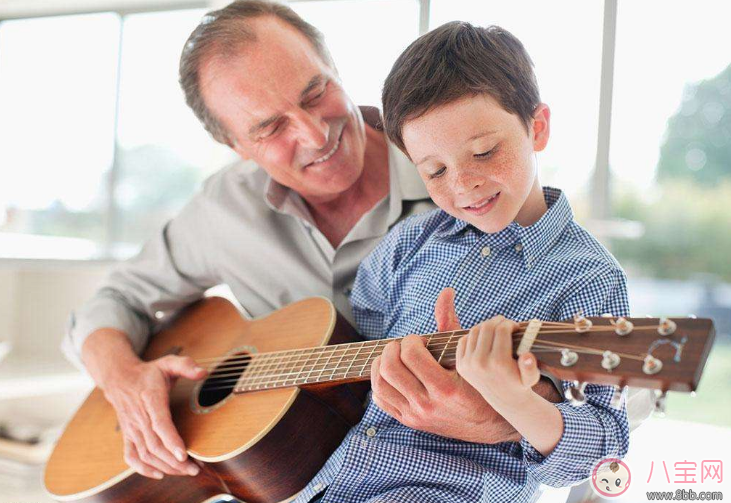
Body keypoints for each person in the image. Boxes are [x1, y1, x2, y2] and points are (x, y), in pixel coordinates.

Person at [61, 0, 565, 485]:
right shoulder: (223, 209)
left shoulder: (465, 176)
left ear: (335, 67)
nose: (314, 132)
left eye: (314, 92)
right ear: (233, 145)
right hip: (293, 477)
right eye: (270, 126)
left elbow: (587, 399)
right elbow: (115, 300)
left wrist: (503, 420)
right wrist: (124, 377)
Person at [292, 20, 634, 503]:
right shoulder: (406, 245)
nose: (462, 185)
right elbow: (357, 358)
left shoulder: (589, 278)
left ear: (537, 128)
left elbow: (606, 447)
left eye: (485, 151)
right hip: (329, 484)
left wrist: (513, 402)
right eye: (435, 170)